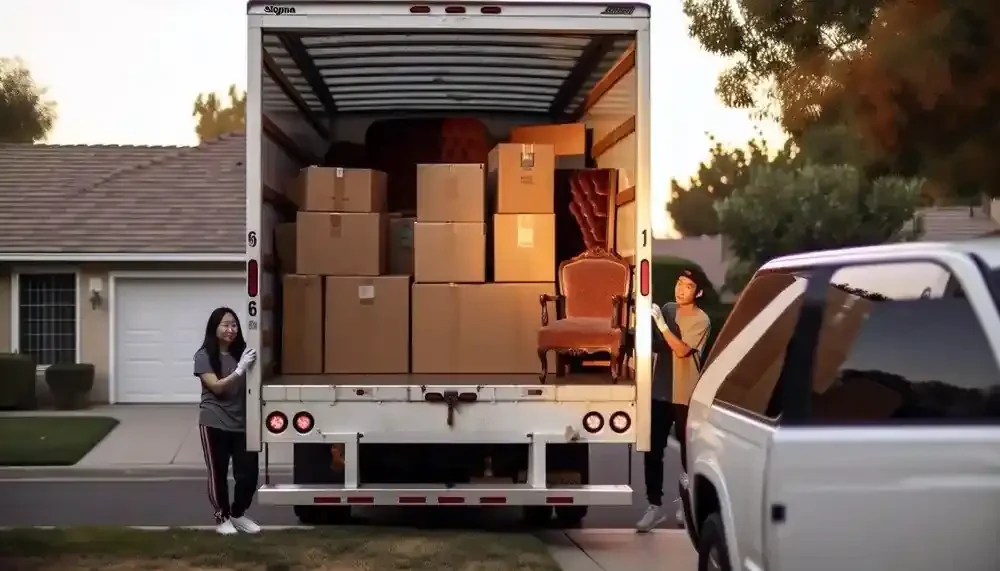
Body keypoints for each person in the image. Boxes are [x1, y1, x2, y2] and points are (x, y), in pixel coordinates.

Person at [636, 269, 711, 532]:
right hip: (659, 390)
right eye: (679, 283)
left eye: (688, 286)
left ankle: (685, 501)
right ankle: (654, 506)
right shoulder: (667, 308)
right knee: (652, 449)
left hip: (684, 395)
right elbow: (658, 344)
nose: (681, 289)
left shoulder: (702, 320)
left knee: (687, 452)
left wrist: (662, 325)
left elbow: (680, 350)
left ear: (698, 293)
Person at [194, 306, 260, 535]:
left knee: (249, 474)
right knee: (218, 473)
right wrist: (241, 369)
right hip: (214, 421)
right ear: (215, 328)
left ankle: (238, 514)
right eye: (225, 325)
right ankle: (221, 518)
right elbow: (216, 387)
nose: (231, 329)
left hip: (243, 423)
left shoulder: (243, 352)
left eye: (234, 325)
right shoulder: (203, 356)